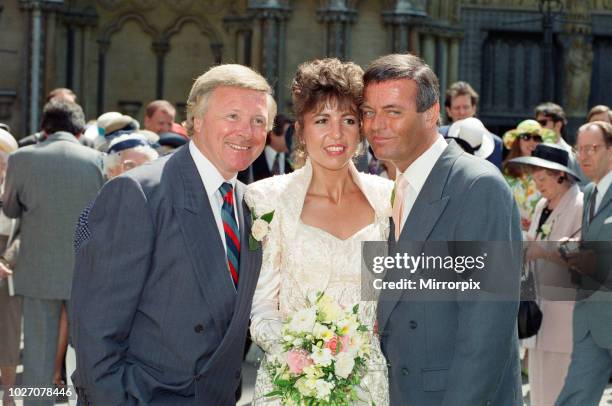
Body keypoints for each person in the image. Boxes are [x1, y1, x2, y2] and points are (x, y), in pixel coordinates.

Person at [70, 64, 274, 405]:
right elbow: (95, 328)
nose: (246, 132)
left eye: (258, 122)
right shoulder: (137, 192)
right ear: (195, 119)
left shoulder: (249, 203)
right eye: (233, 116)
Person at [361, 53, 522, 405]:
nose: (376, 125)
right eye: (369, 113)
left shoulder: (478, 187)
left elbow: (486, 333)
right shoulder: (398, 186)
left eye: (393, 112)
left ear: (432, 113)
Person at [245, 58, 392, 405]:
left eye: (349, 120)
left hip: (367, 386)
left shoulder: (387, 199)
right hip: (292, 385)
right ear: (301, 127)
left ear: (362, 129)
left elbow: (393, 297)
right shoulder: (268, 200)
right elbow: (262, 307)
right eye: (322, 120)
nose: (336, 134)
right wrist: (305, 356)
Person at [2, 100, 104, 406]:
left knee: (37, 353)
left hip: (37, 269)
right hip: (84, 270)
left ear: (44, 128)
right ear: (80, 129)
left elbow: (9, 208)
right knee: (84, 349)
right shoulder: (96, 159)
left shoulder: (22, 158)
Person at [510, 144, 583, 406]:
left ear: (560, 176)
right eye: (535, 178)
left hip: (564, 314)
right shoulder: (543, 205)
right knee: (539, 393)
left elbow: (583, 255)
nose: (537, 185)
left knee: (560, 391)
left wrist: (542, 250)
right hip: (537, 310)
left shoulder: (580, 204)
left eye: (542, 179)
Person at [556, 121, 612, 406]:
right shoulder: (589, 193)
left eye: (593, 148)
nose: (585, 156)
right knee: (574, 399)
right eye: (581, 149)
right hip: (591, 319)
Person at [502, 119, 557, 232]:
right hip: (511, 230)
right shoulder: (506, 170)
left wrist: (537, 221)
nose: (532, 142)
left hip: (541, 231)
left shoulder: (551, 170)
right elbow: (500, 202)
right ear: (518, 141)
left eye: (537, 138)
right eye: (526, 137)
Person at [439, 81, 503, 169]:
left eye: (466, 107)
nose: (462, 112)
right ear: (449, 111)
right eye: (457, 108)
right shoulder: (439, 136)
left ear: (474, 109)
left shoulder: (495, 143)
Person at [0, 128, 20, 406]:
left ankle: (9, 392)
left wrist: (7, 260)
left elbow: (26, 228)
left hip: (9, 265)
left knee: (10, 331)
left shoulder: (16, 188)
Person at [534, 102, 584, 182]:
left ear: (558, 125)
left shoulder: (569, 154)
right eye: (537, 123)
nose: (539, 127)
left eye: (543, 123)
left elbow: (579, 184)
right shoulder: (532, 149)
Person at [239, 113, 294, 183]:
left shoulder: (292, 162)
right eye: (288, 134)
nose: (291, 138)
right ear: (273, 134)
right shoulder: (252, 159)